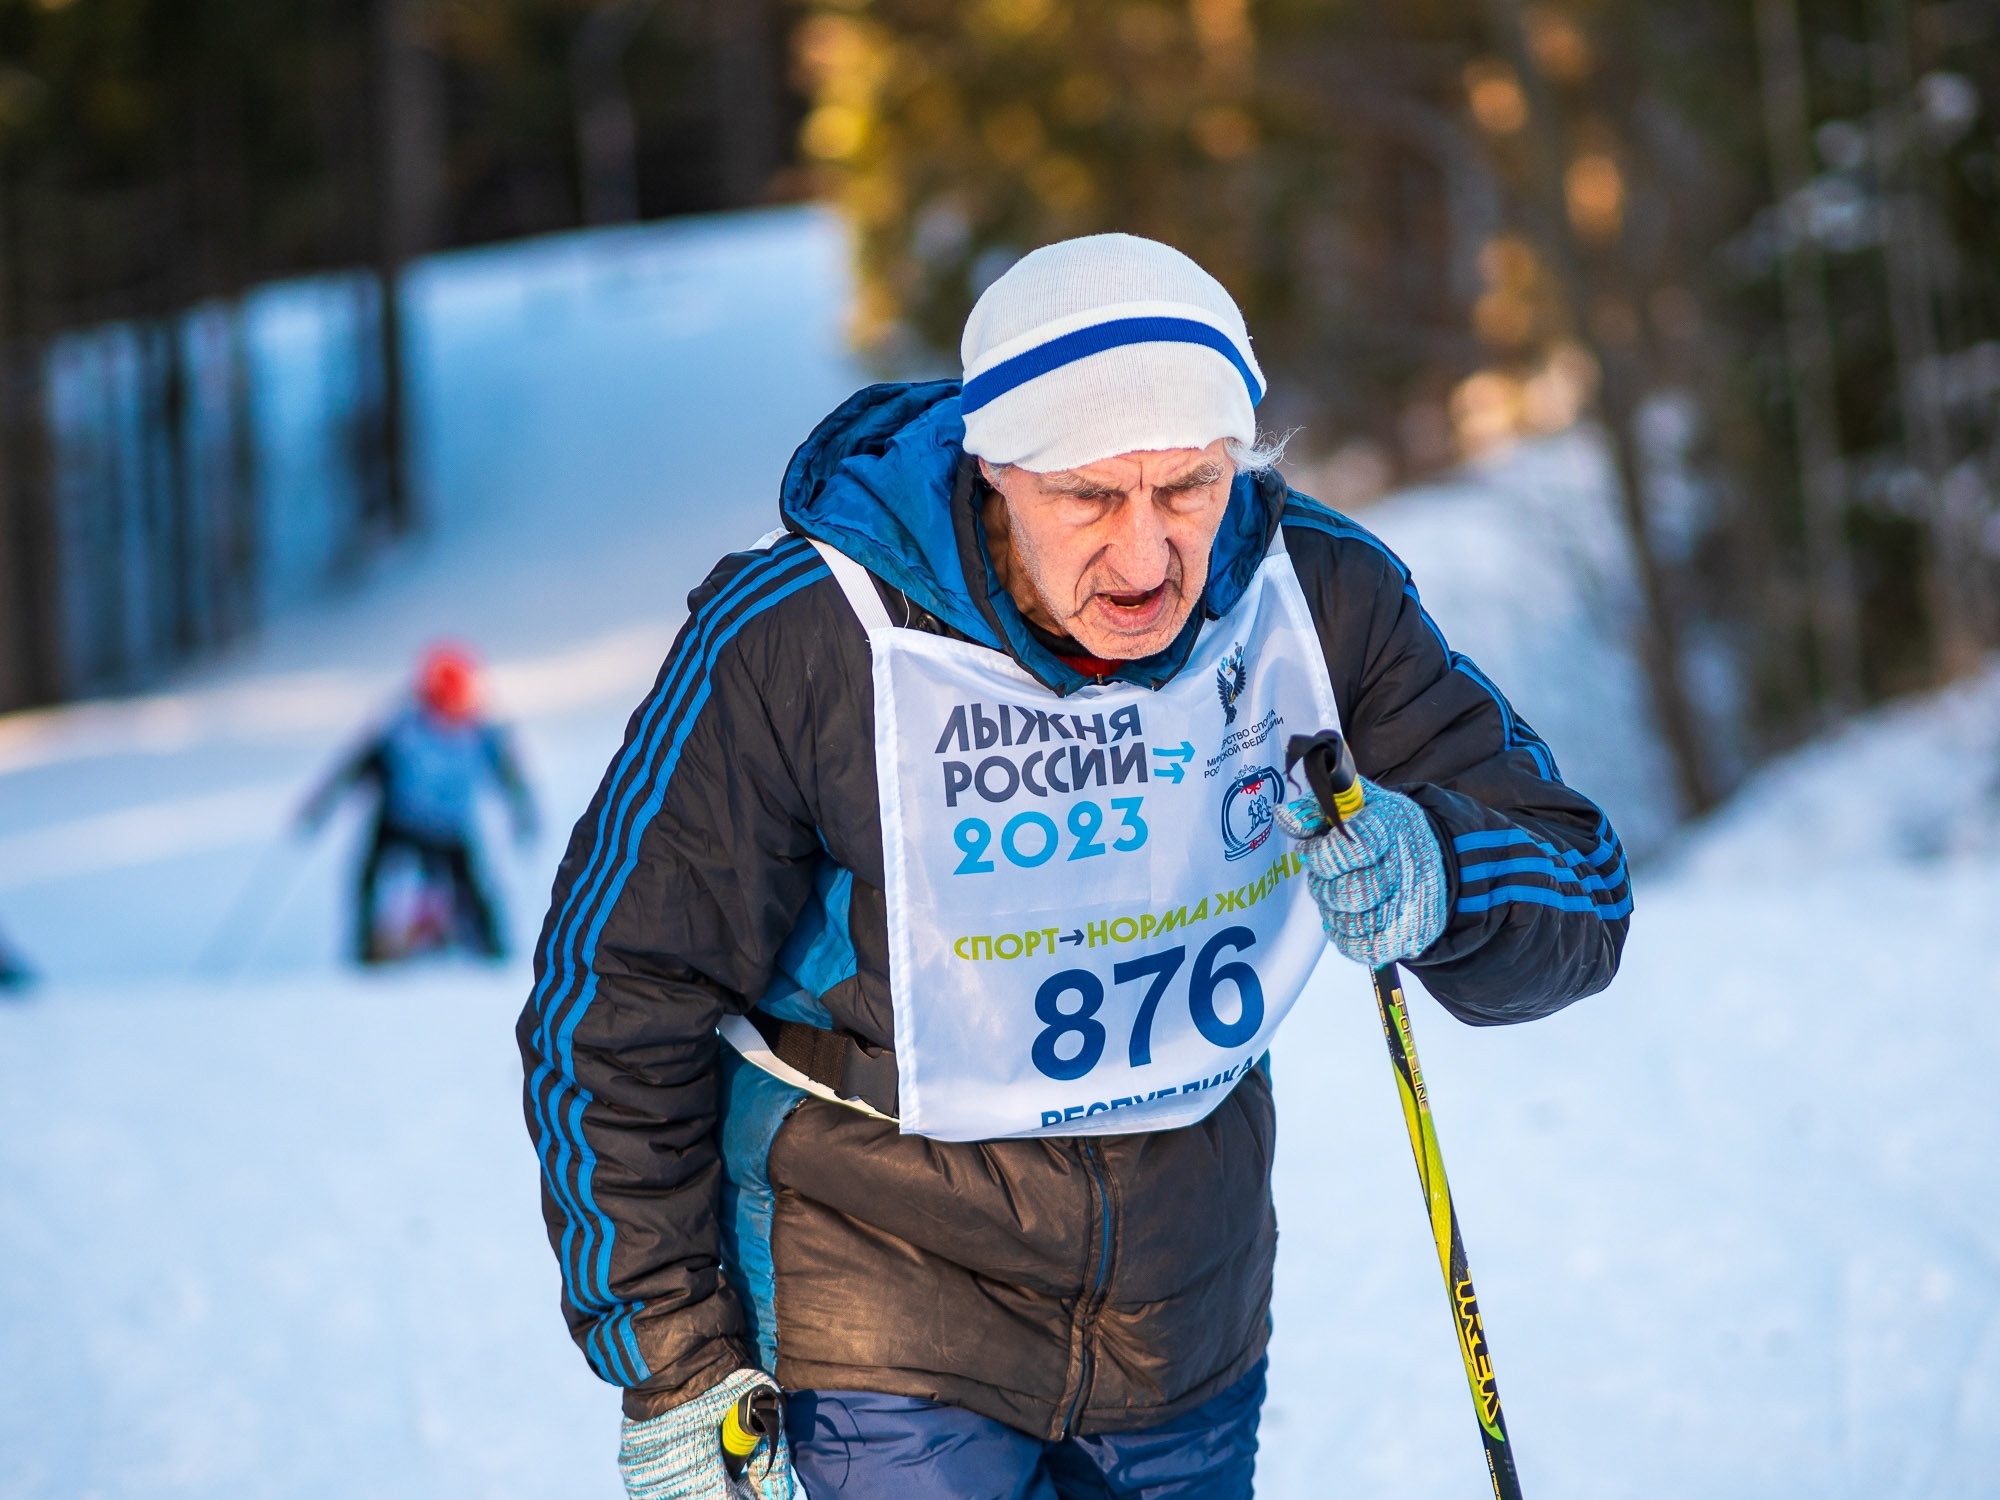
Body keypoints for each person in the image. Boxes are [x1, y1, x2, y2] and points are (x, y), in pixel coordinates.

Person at [519, 234, 1631, 1499]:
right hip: (877, 1297)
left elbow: (1579, 886)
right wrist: (672, 1361)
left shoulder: (1309, 600)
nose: (1149, 559)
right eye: (1091, 501)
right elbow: (614, 1002)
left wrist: (1446, 872)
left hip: (1181, 1319)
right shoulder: (807, 639)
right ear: (996, 469)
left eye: (1190, 489)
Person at [301, 642, 536, 963]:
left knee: (471, 889)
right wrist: (321, 805)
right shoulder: (403, 726)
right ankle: (367, 954)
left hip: (449, 826)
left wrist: (523, 814)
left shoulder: (483, 733)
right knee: (369, 879)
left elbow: (510, 778)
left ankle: (492, 953)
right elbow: (356, 766)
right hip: (399, 820)